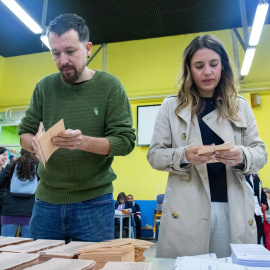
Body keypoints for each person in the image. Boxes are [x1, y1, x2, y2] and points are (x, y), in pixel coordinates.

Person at [147, 35, 267, 258]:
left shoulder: (240, 106)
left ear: (223, 66)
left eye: (213, 64)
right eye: (199, 66)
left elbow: (260, 153)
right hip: (186, 209)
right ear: (189, 69)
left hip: (232, 207)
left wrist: (240, 155)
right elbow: (154, 155)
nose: (207, 72)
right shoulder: (171, 106)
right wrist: (184, 155)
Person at [18, 14, 136, 243]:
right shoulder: (44, 87)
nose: (63, 60)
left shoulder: (110, 86)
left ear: (88, 48)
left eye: (70, 51)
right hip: (46, 202)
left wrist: (82, 142)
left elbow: (125, 142)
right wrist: (33, 144)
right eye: (55, 53)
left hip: (93, 203)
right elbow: (24, 133)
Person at [0, 149, 39, 238]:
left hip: (10, 210)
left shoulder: (11, 166)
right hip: (31, 211)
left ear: (21, 154)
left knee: (5, 245)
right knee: (28, 247)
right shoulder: (38, 167)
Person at [246, 174, 268, 244]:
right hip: (245, 212)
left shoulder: (256, 178)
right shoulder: (242, 176)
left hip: (257, 214)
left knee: (257, 237)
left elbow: (262, 195)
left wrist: (265, 205)